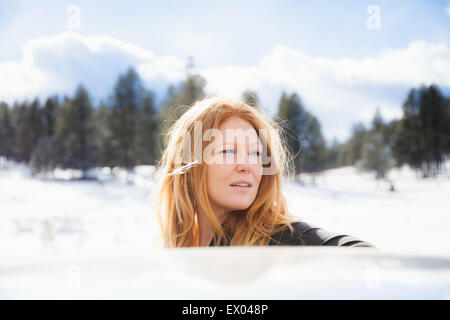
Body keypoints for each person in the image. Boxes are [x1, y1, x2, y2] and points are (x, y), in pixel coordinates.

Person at [152, 97, 374, 248]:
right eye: (229, 151)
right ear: (190, 164)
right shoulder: (172, 249)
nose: (247, 165)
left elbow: (361, 255)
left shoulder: (278, 239)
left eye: (256, 154)